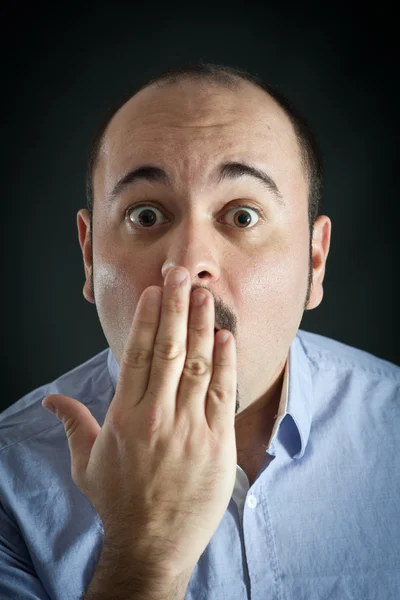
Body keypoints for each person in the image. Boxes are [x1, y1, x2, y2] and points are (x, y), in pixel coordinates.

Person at [0, 62, 399, 600]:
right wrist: (144, 556)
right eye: (145, 215)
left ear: (315, 259)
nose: (187, 266)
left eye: (242, 216)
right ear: (90, 255)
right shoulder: (8, 484)